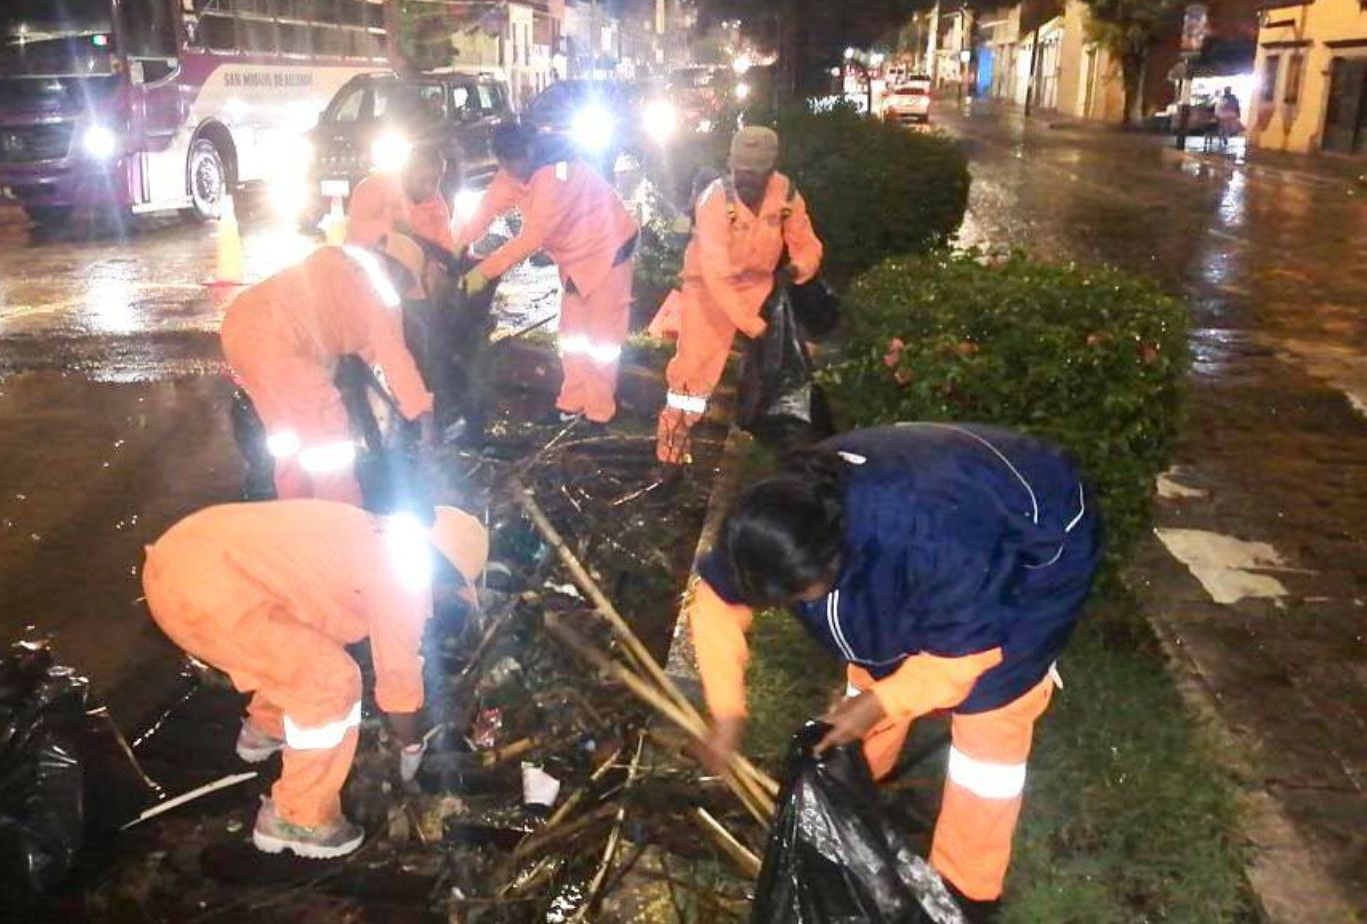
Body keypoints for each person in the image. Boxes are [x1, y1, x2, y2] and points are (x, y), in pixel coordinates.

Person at [687, 423, 1101, 912]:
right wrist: (728, 712)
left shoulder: (928, 539)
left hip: (1045, 533)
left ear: (834, 559)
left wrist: (883, 702)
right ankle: (855, 789)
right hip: (945, 501)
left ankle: (964, 888)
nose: (790, 607)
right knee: (876, 659)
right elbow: (714, 602)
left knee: (991, 710)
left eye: (797, 596)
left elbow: (966, 655)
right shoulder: (779, 522)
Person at [142, 499, 489, 857]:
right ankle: (297, 818)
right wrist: (412, 744)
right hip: (205, 600)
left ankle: (266, 730)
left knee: (306, 647)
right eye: (455, 588)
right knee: (332, 682)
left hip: (182, 555)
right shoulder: (405, 577)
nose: (449, 597)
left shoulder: (375, 530)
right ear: (443, 569)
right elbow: (397, 682)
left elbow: (315, 608)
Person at [655, 126, 824, 466]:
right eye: (740, 171)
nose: (746, 181)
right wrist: (756, 328)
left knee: (780, 377)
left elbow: (808, 245)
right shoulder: (714, 201)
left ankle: (773, 449)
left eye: (755, 173)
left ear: (770, 169)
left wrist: (796, 269)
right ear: (731, 165)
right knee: (690, 377)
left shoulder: (786, 195)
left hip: (758, 290)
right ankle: (671, 454)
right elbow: (717, 277)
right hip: (709, 295)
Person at [220, 237, 434, 505]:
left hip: (237, 328)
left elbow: (365, 346)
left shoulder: (340, 258)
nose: (403, 294)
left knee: (287, 436)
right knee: (328, 439)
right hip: (281, 343)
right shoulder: (382, 290)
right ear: (400, 272)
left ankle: (297, 512)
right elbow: (394, 358)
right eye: (407, 284)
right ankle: (341, 520)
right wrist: (422, 412)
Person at [459, 131, 638, 427]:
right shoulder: (514, 171)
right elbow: (489, 207)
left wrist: (484, 271)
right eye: (505, 164)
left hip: (609, 251)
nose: (511, 170)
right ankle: (571, 404)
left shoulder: (556, 175)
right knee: (572, 337)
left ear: (529, 151)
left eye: (514, 162)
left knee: (602, 341)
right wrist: (460, 244)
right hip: (575, 258)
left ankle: (598, 413)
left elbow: (532, 237)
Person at [346, 145, 455, 254]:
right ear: (406, 172)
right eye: (423, 180)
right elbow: (359, 234)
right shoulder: (373, 189)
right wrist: (398, 237)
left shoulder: (437, 207)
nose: (429, 187)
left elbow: (446, 249)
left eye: (435, 181)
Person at [450, 124, 534, 253]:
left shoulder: (550, 167)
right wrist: (459, 253)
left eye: (524, 154)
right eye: (516, 158)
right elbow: (479, 222)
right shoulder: (501, 191)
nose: (523, 162)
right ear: (503, 162)